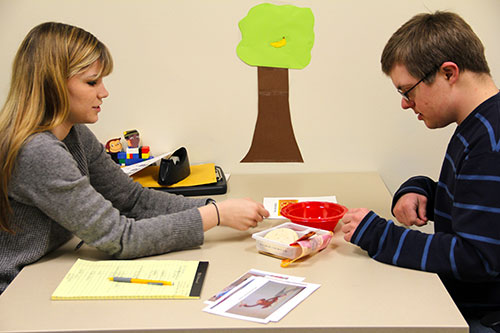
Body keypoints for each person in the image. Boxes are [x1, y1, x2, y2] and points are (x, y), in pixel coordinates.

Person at [0, 22, 269, 295]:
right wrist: (216, 215)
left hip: (48, 270)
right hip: (18, 292)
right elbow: (121, 238)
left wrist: (214, 207)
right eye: (92, 82)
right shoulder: (39, 151)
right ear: (53, 84)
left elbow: (134, 200)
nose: (103, 92)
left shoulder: (75, 133)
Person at [340, 11, 500, 332]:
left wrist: (380, 235)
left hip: (478, 315)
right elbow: (478, 205)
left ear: (448, 72)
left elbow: (477, 257)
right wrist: (423, 189)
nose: (405, 103)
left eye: (406, 90)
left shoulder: (491, 142)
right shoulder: (480, 125)